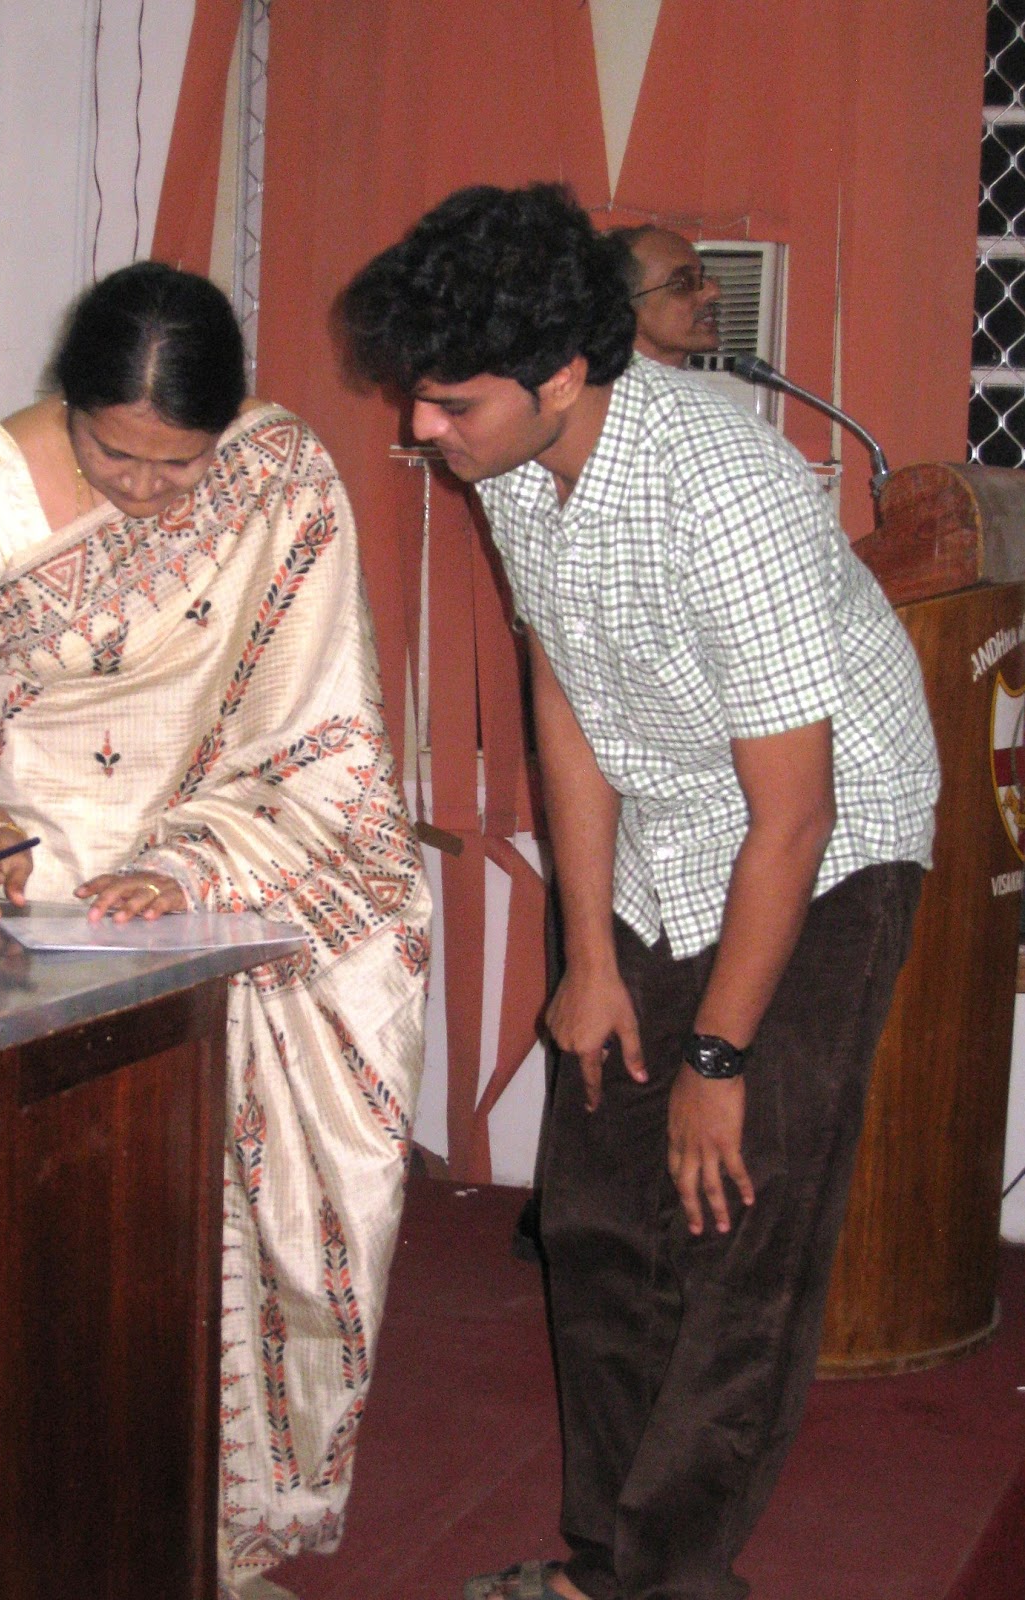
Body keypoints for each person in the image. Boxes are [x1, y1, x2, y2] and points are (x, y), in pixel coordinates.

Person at [339, 184, 939, 1600]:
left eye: (450, 402)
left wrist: (719, 1059)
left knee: (735, 1230)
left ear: (562, 376)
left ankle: (666, 1583)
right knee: (599, 1217)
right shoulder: (511, 467)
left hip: (827, 851)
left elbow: (794, 817)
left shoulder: (725, 491)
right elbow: (565, 693)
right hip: (660, 834)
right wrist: (589, 954)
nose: (418, 428)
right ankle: (603, 1563)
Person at [0, 261, 431, 1600]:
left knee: (242, 1209)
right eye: (112, 456)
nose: (142, 490)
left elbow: (321, 736)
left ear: (227, 428)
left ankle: (219, 1534)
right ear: (66, 407)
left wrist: (192, 863)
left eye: (177, 468)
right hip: (41, 883)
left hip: (234, 868)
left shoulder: (279, 475)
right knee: (75, 1233)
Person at [613, 224, 722, 368]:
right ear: (628, 311)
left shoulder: (686, 381)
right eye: (683, 283)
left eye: (703, 277)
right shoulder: (609, 382)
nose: (714, 292)